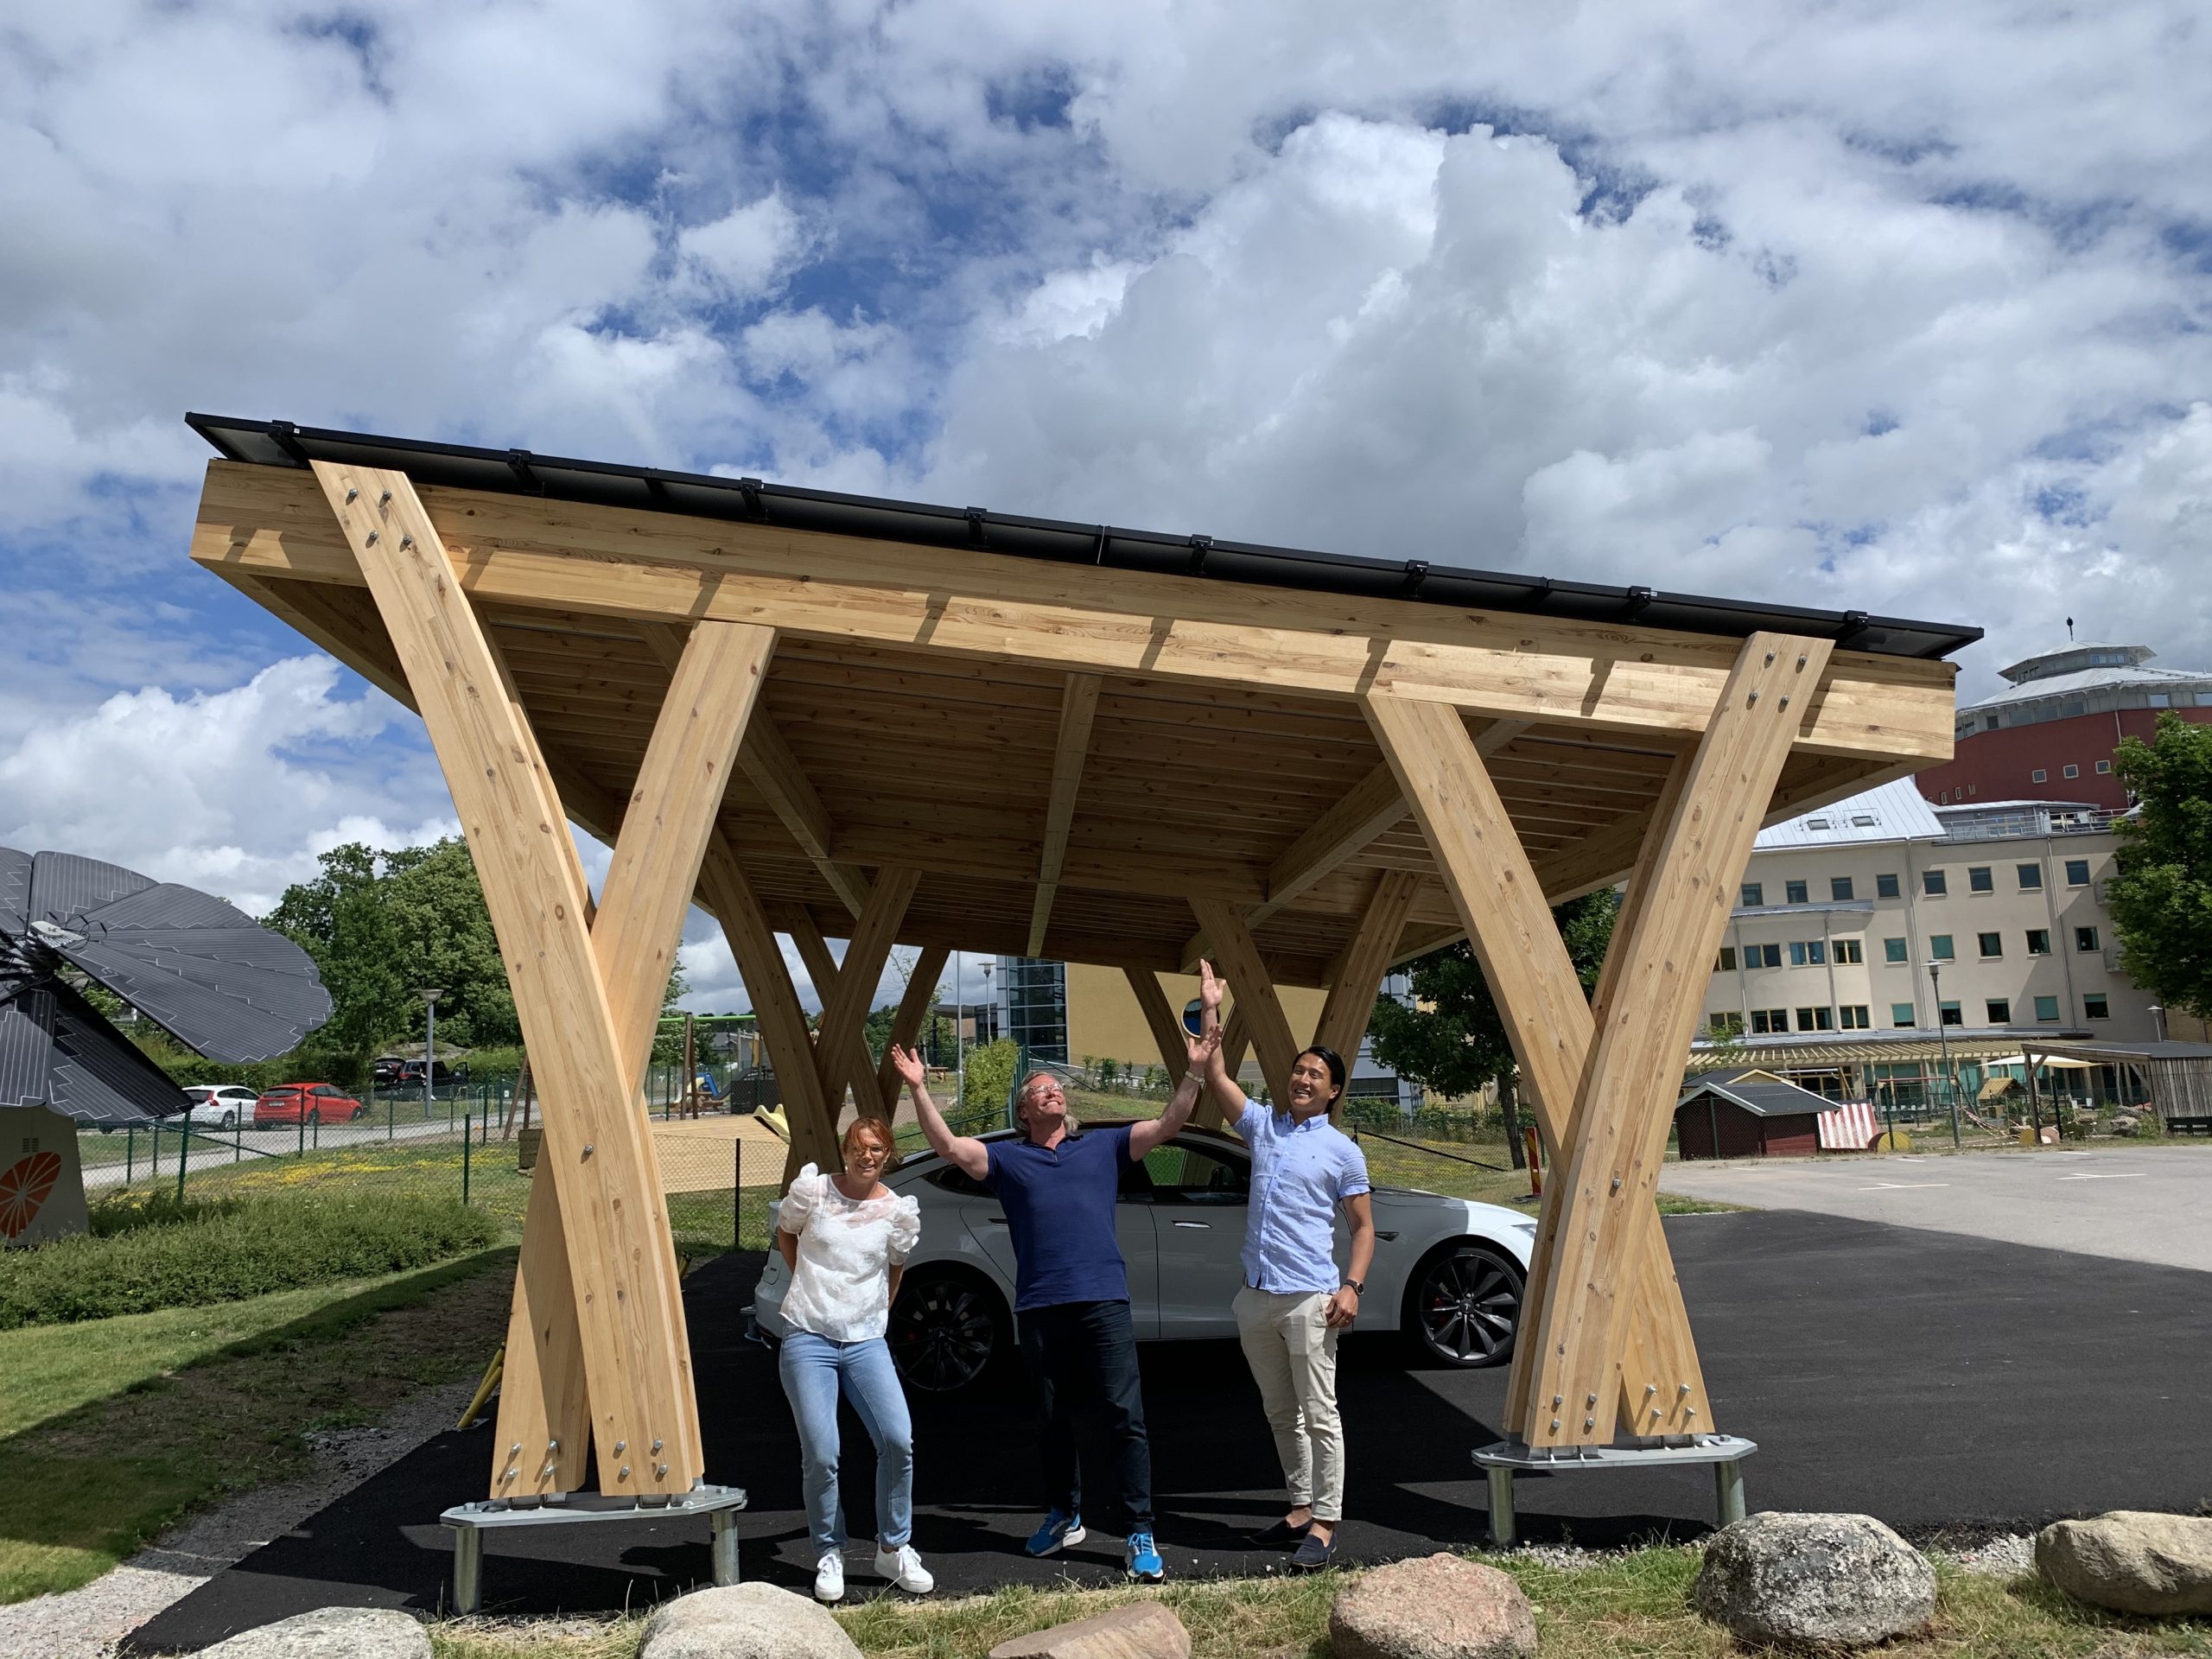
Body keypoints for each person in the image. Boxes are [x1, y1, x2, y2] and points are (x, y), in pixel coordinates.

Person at [888, 1020, 1221, 1583]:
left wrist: (1192, 1071)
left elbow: (1170, 1123)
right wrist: (920, 1087)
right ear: (1025, 1112)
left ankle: (1140, 1529)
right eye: (1040, 1089)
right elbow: (946, 1146)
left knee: (1125, 1418)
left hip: (1103, 1302)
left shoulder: (1104, 1147)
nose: (1053, 1091)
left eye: (1057, 1087)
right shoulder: (1010, 1163)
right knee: (1053, 1419)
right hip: (1041, 1307)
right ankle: (1064, 1514)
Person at [1196, 960, 1376, 1570]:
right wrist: (1212, 1007)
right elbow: (1216, 1076)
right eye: (1298, 1069)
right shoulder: (1264, 1128)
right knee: (1280, 1411)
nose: (1302, 1077)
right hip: (1257, 1297)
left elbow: (1363, 1228)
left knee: (1320, 1414)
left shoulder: (1343, 1151)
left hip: (1311, 1300)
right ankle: (1299, 1507)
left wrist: (1351, 1287)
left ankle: (1326, 1522)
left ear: (1333, 1091)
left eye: (1314, 1074)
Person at [774, 1116, 932, 1603]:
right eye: (860, 1147)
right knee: (822, 1453)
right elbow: (787, 1235)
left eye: (878, 1149)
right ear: (845, 1148)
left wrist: (873, 1313)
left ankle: (893, 1546)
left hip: (865, 1341)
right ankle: (829, 1551)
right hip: (808, 1336)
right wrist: (812, 1288)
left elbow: (896, 1268)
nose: (868, 1156)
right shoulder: (814, 1192)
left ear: (888, 1155)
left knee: (897, 1439)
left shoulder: (897, 1211)